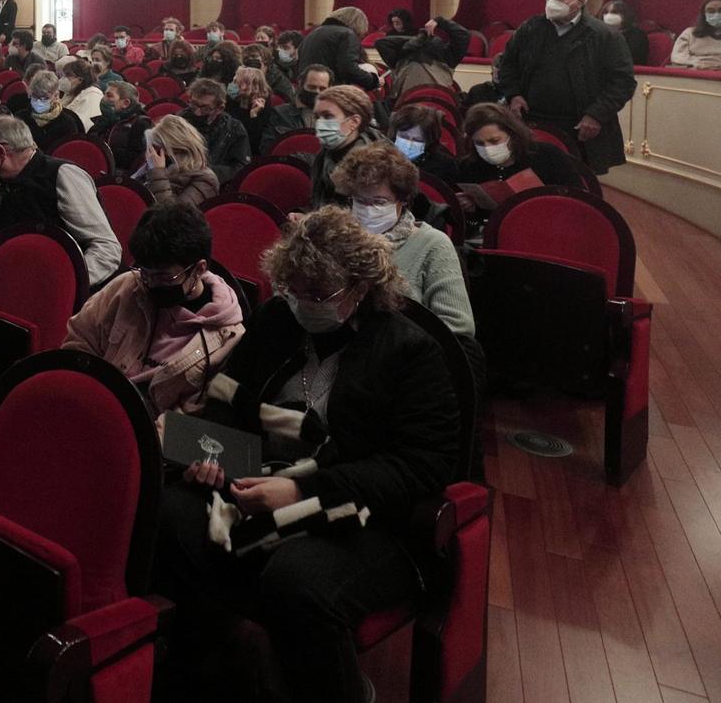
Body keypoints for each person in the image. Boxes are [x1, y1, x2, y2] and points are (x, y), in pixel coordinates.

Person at [152, 207, 458, 703]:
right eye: (293, 289)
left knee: (297, 580)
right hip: (260, 476)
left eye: (318, 296)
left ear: (360, 288)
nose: (302, 305)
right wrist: (206, 451)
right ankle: (219, 663)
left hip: (363, 512)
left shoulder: (408, 350)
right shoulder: (278, 319)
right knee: (167, 514)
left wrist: (301, 490)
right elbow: (228, 400)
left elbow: (418, 467)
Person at [63, 201, 244, 416]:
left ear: (198, 269)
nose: (151, 284)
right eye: (145, 273)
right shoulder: (127, 287)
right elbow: (79, 343)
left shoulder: (226, 337)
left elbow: (193, 416)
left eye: (163, 277)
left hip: (152, 435)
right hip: (95, 406)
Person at [331, 144, 476, 348]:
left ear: (403, 200)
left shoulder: (432, 243)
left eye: (379, 202)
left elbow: (457, 327)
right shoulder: (333, 238)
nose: (368, 210)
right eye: (360, 201)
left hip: (405, 358)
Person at [492, 0, 636, 173]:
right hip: (532, 120)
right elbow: (507, 64)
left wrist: (596, 115)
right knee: (530, 177)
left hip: (580, 126)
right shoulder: (530, 28)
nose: (551, 2)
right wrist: (513, 94)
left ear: (579, 2)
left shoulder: (605, 36)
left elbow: (623, 82)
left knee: (577, 182)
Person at [0, 114, 122, 286]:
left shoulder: (63, 175)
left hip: (68, 291)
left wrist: (62, 284)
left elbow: (106, 248)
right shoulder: (12, 181)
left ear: (1, 152)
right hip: (22, 276)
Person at [457, 100, 583, 212]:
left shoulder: (547, 155)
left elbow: (578, 197)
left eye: (495, 141)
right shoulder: (469, 165)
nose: (487, 148)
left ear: (512, 135)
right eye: (479, 143)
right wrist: (468, 205)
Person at [307, 84, 383, 208]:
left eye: (328, 116)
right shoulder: (325, 154)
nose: (319, 123)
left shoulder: (371, 165)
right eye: (317, 117)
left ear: (354, 122)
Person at [138, 116, 223, 210]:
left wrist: (157, 172)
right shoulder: (171, 168)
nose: (155, 155)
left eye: (160, 149)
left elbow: (173, 216)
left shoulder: (206, 179)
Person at [374, 13, 470, 93]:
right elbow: (381, 43)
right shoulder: (400, 57)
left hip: (424, 102)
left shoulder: (448, 57)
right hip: (413, 103)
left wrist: (420, 37)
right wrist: (423, 35)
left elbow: (463, 35)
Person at [182, 77, 249, 182]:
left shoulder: (233, 129)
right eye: (194, 104)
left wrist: (204, 171)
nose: (197, 113)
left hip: (216, 184)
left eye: (205, 108)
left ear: (219, 108)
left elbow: (241, 167)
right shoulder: (180, 121)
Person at [298, 6, 379, 91]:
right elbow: (348, 69)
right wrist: (373, 80)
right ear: (359, 24)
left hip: (307, 88)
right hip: (329, 90)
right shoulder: (347, 34)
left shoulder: (313, 33)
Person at [388, 102, 457, 182]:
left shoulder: (445, 166)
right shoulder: (381, 158)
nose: (409, 144)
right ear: (395, 133)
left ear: (429, 141)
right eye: (404, 137)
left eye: (417, 140)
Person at [22, 69, 83, 148]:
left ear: (56, 95)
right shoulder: (21, 119)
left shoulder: (67, 124)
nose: (38, 101)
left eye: (44, 98)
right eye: (35, 96)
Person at [598, 0, 650, 67]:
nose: (608, 15)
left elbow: (628, 58)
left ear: (625, 14)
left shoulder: (638, 35)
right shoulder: (601, 34)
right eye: (606, 12)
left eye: (614, 12)